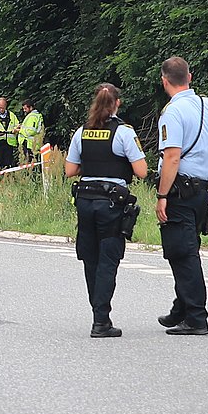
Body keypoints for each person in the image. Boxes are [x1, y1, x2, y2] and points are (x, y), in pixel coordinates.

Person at [154, 56, 208, 335]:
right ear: (189, 77)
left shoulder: (172, 113)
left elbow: (172, 157)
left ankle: (195, 317)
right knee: (185, 247)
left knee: (182, 254)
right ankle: (180, 309)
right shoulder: (206, 105)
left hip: (179, 190)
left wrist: (162, 195)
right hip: (201, 193)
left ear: (164, 81)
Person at [66, 83, 147, 337]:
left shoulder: (82, 132)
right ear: (117, 104)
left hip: (85, 201)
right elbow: (141, 171)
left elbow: (70, 170)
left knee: (90, 259)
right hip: (111, 204)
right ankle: (101, 321)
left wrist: (91, 165)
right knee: (108, 260)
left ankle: (98, 313)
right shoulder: (123, 132)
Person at [18, 100, 46, 169]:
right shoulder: (33, 116)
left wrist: (19, 130)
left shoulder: (32, 116)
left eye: (25, 108)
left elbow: (31, 131)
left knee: (31, 164)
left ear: (31, 108)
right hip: (32, 143)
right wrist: (21, 126)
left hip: (30, 144)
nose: (24, 110)